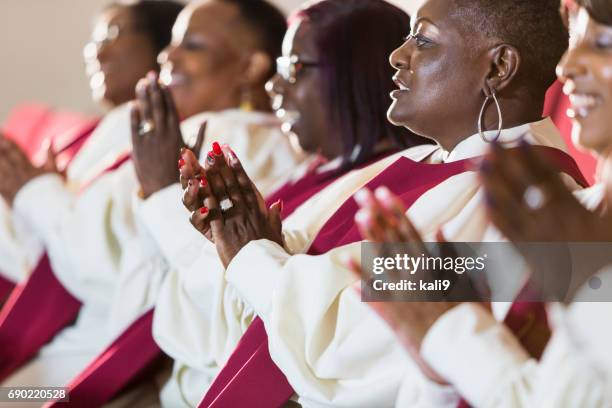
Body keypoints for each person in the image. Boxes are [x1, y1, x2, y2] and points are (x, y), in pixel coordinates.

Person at [179, 0, 579, 406]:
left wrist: (252, 255)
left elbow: (365, 341)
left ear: (498, 68)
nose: (397, 55)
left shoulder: (529, 204)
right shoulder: (414, 163)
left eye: (423, 40)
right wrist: (235, 237)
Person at [154, 1, 424, 406]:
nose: (273, 87)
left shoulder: (400, 186)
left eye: (292, 68)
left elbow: (344, 337)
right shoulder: (315, 172)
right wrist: (234, 244)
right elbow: (194, 323)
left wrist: (248, 253)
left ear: (354, 73)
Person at [0, 0, 182, 289]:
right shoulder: (100, 130)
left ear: (164, 44)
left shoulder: (166, 137)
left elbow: (101, 258)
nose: (96, 51)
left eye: (114, 34)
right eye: (95, 39)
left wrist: (31, 191)